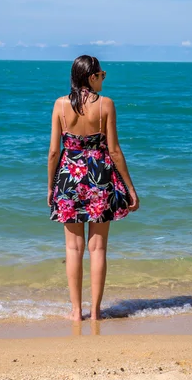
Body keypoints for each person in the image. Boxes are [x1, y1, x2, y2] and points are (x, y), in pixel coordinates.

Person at [48, 55, 139, 321]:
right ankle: (96, 312)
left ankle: (76, 313)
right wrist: (130, 189)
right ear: (91, 77)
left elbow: (54, 152)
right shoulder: (106, 105)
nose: (103, 78)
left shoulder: (60, 105)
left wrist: (51, 186)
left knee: (73, 248)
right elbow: (114, 150)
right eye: (101, 75)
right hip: (100, 176)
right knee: (97, 249)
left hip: (68, 177)